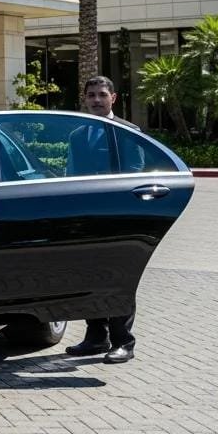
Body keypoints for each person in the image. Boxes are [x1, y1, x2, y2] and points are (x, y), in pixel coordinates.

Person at [64, 75, 140, 364]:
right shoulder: (77, 134)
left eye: (102, 95)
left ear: (113, 98)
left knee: (120, 280)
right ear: (85, 99)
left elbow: (136, 171)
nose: (96, 100)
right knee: (89, 276)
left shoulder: (128, 131)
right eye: (91, 95)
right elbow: (71, 175)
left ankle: (124, 342)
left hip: (118, 217)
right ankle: (96, 337)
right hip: (87, 218)